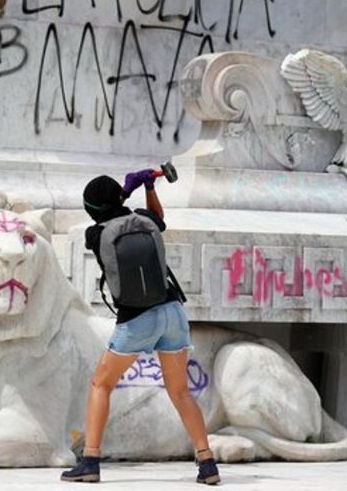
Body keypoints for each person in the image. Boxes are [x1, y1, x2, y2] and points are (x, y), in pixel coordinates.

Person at [60, 171, 219, 485]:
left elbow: (112, 214)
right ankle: (207, 463)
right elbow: (158, 217)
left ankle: (90, 460)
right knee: (180, 392)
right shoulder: (146, 220)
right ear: (119, 199)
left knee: (101, 384)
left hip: (137, 318)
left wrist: (124, 192)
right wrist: (147, 186)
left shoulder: (96, 234)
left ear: (92, 208)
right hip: (172, 311)